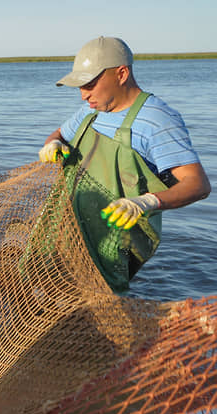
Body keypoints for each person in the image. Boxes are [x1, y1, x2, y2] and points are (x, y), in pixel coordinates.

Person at [39, 36, 210, 292]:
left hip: (113, 243)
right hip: (68, 228)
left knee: (95, 305)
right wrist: (52, 144)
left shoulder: (157, 120)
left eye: (90, 84)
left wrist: (146, 202)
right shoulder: (91, 111)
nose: (84, 95)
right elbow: (59, 134)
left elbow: (198, 184)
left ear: (121, 74)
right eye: (80, 86)